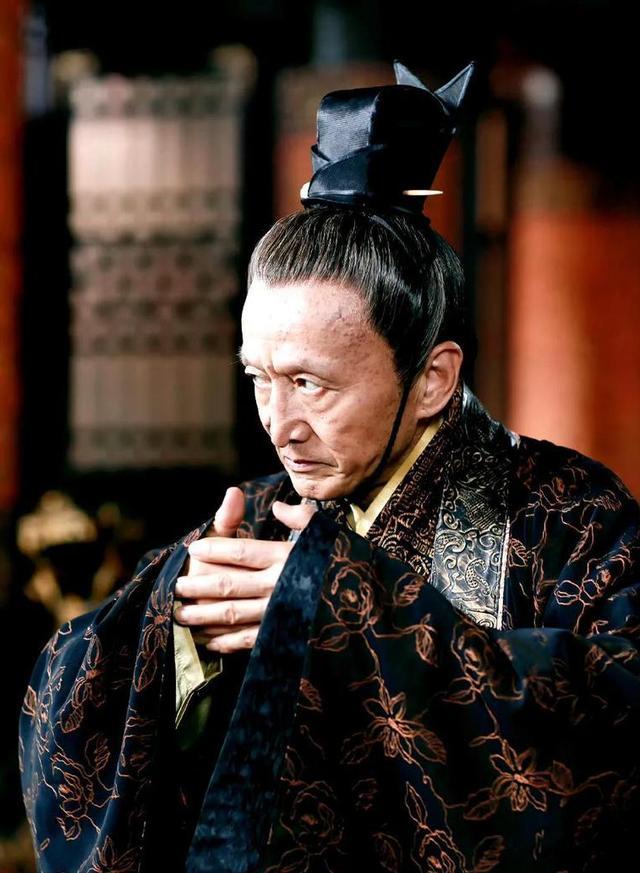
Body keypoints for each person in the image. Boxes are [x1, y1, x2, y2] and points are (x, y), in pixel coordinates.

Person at [20, 62, 640, 873]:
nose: (280, 425)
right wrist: (177, 630)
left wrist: (344, 608)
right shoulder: (258, 522)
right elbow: (63, 702)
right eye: (259, 378)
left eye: (310, 383)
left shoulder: (573, 517)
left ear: (433, 378)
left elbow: (613, 725)